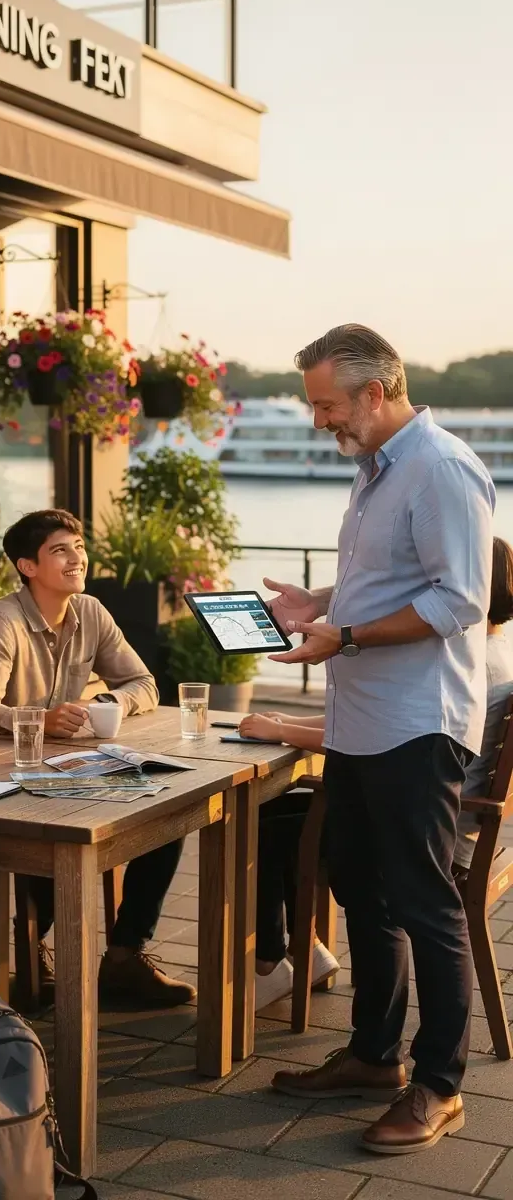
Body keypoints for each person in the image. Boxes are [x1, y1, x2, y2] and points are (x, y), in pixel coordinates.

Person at [261, 324, 494, 1153]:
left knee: (427, 905)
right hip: (363, 724)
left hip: (415, 724)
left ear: (376, 391)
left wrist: (348, 638)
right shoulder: (377, 469)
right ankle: (373, 1054)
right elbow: (390, 575)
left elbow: (457, 601)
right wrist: (320, 602)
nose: (321, 420)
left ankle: (439, 1085)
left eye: (327, 404)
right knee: (360, 884)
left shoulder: (440, 468)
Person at [0, 508, 194, 1007]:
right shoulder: (1, 622)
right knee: (60, 835)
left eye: (79, 548)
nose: (78, 559)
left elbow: (143, 684)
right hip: (4, 775)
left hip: (70, 768)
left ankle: (123, 957)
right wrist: (38, 719)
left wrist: (106, 704)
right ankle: (30, 958)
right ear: (27, 566)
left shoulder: (90, 611)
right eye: (61, 551)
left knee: (166, 808)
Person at [237, 713, 337, 1008]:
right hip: (368, 803)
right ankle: (306, 947)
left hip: (371, 823)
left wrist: (282, 730)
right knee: (265, 810)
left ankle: (268, 962)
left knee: (256, 831)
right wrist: (291, 722)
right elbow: (349, 711)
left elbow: (354, 738)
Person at [453, 536, 513, 877]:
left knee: (272, 828)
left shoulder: (472, 667)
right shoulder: (498, 654)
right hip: (468, 835)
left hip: (447, 841)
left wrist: (284, 731)